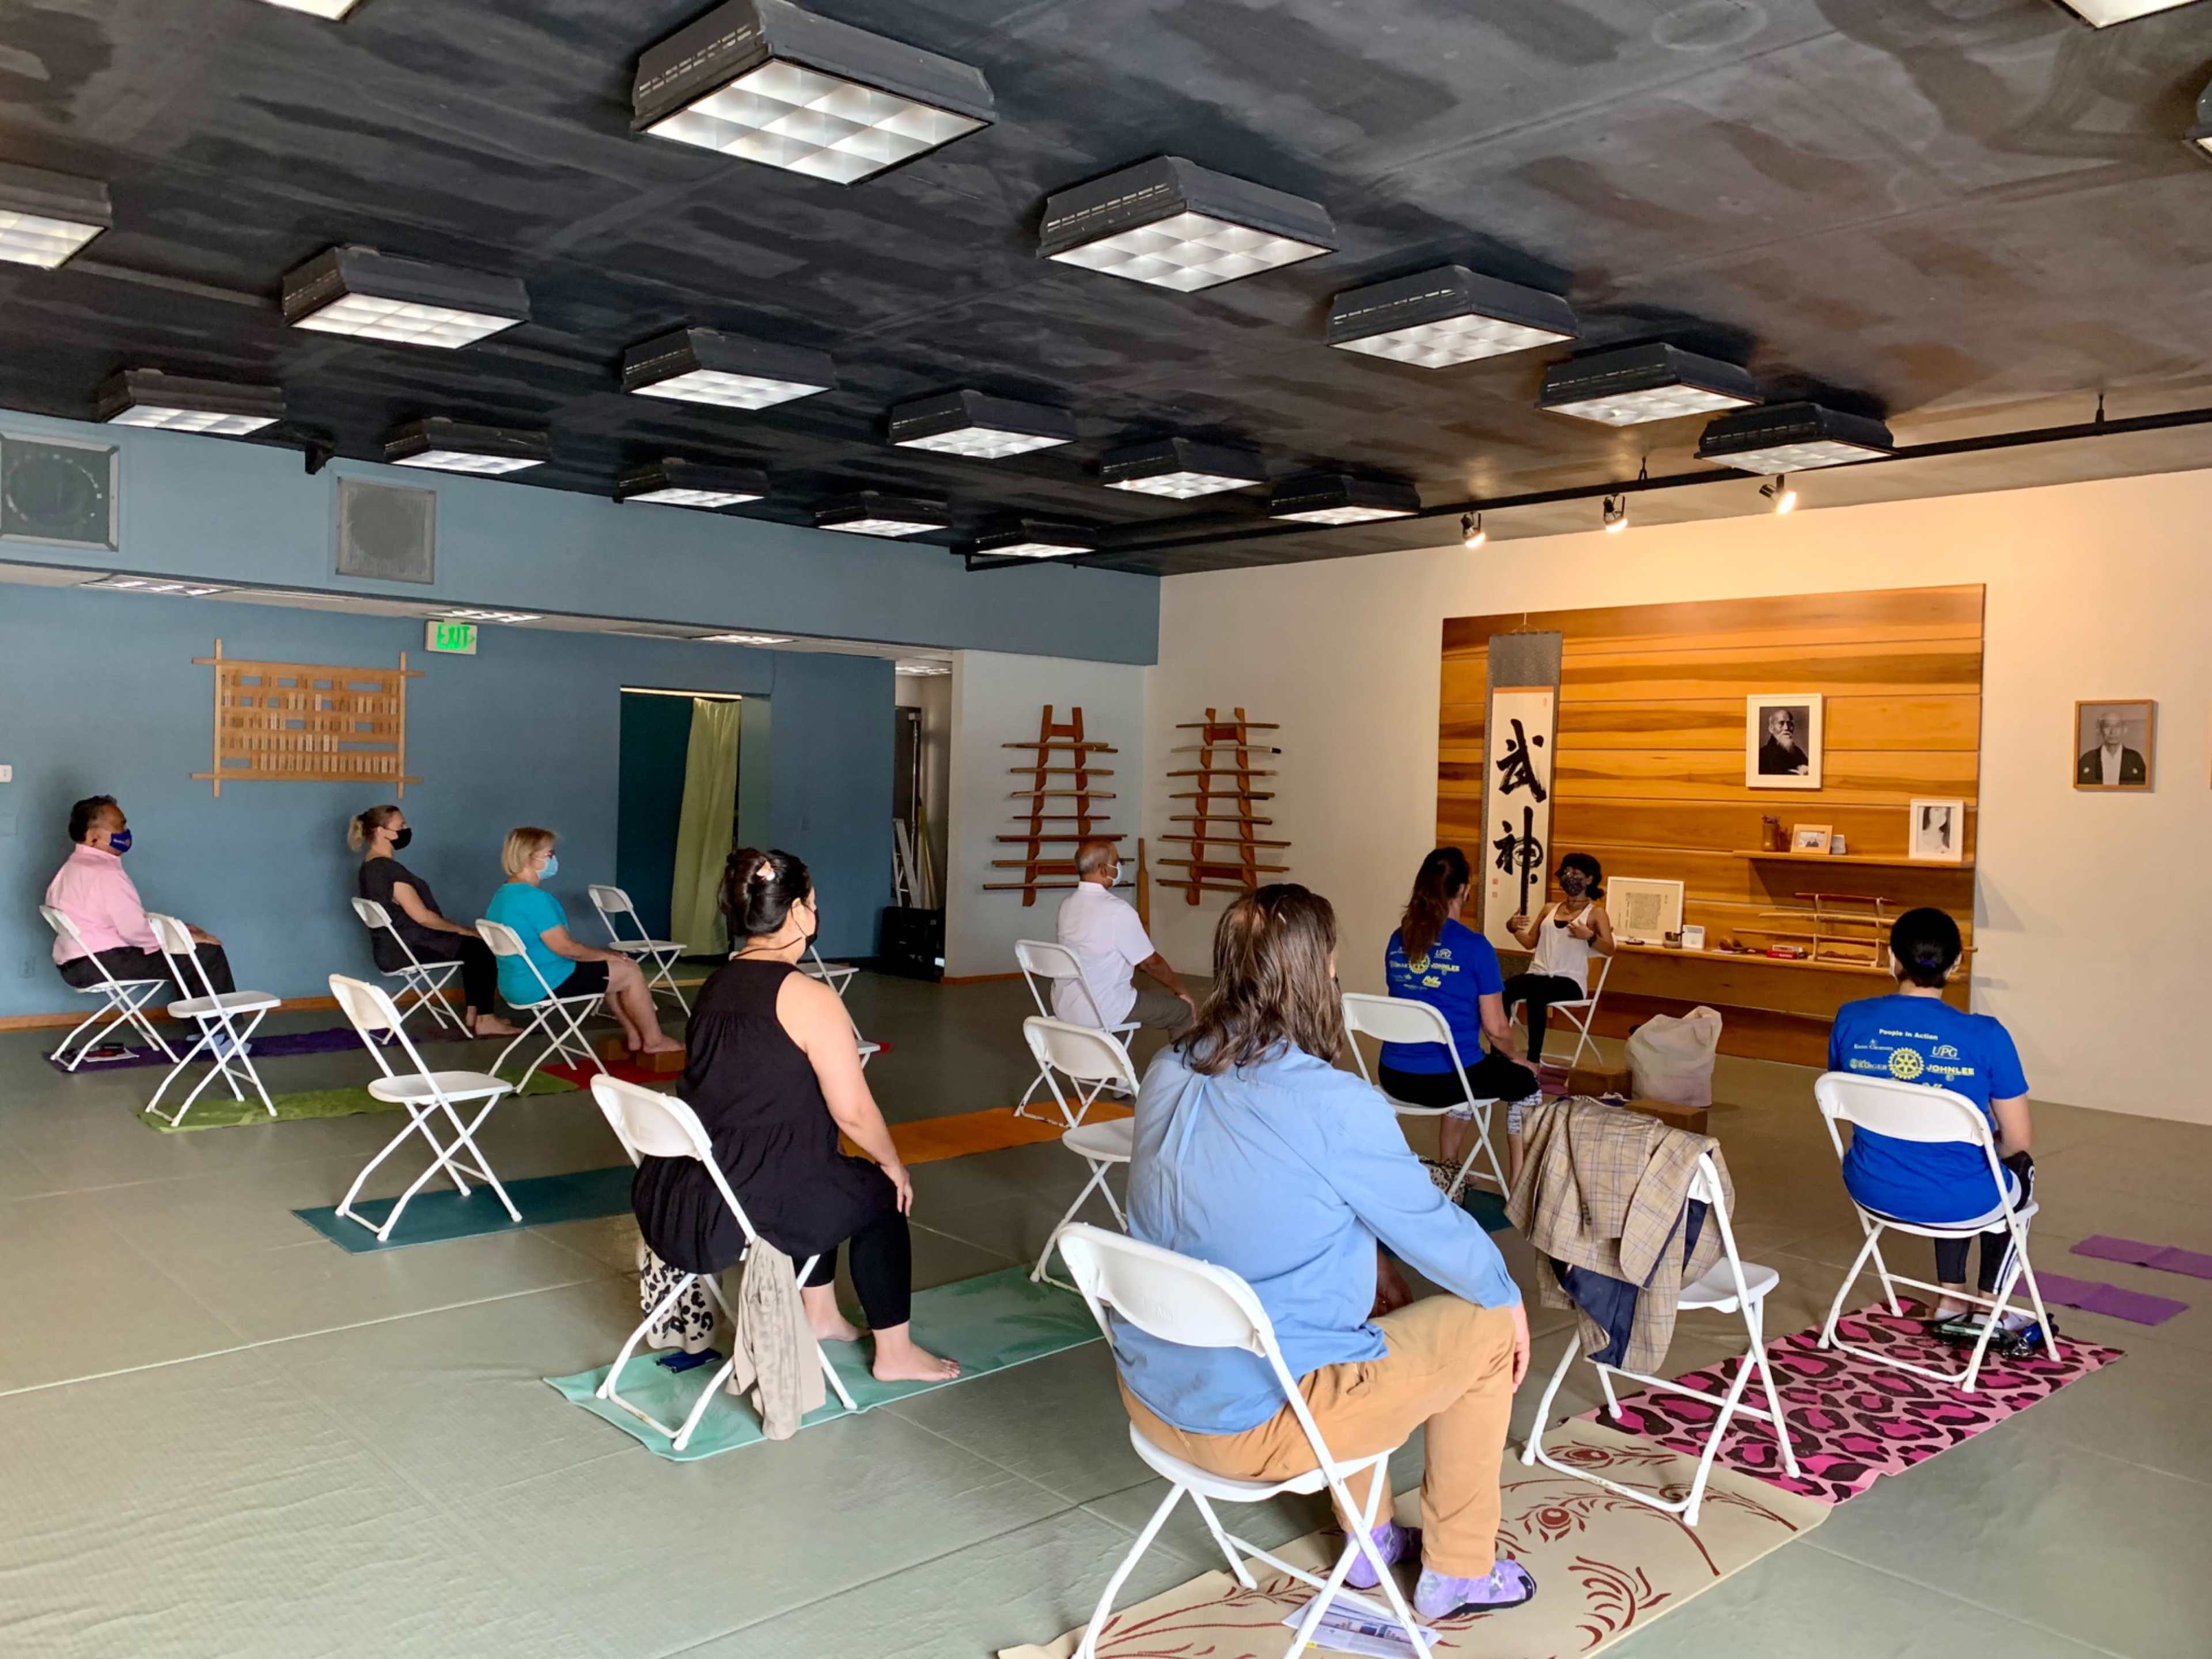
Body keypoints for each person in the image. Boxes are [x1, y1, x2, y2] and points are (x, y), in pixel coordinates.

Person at [1116, 884, 1537, 1620]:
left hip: (1154, 1399)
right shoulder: (1332, 1102)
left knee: (1367, 1300)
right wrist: (1506, 1297)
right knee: (1487, 1328)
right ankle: (1460, 1569)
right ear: (1318, 975)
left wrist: (1371, 1266)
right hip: (1259, 1427)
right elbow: (1435, 1229)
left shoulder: (1168, 1069)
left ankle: (1371, 1541)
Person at [631, 848, 958, 1382]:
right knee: (879, 1193)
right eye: (813, 901)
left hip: (676, 1193)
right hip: (741, 1204)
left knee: (823, 1168)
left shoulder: (715, 983)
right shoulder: (809, 997)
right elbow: (852, 1111)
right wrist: (894, 1164)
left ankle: (822, 1316)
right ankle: (895, 1354)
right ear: (798, 914)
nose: (815, 910)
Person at [1830, 908, 2035, 1330]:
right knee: (2013, 1168)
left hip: (1869, 1187)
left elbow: (1847, 1099)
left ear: (1892, 959)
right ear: (1957, 964)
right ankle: (1989, 1308)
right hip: (1958, 1201)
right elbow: (2018, 1140)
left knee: (1957, 1163)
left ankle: (1949, 1298)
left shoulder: (1850, 1018)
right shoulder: (1987, 1034)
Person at [1379, 847, 1540, 1185]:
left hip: (1393, 1075)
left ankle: (1449, 1166)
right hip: (1447, 1081)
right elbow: (1496, 1028)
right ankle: (1519, 1184)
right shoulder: (1475, 947)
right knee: (1524, 1082)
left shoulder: (1398, 939)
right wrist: (1516, 1058)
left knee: (1473, 1068)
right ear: (1465, 890)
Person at [482, 827, 680, 1056]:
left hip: (516, 983)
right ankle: (654, 1041)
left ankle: (636, 1037)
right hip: (545, 982)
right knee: (630, 971)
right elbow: (565, 948)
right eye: (549, 855)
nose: (554, 859)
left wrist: (606, 958)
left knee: (612, 971)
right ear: (529, 858)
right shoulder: (533, 899)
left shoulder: (503, 894)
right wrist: (609, 954)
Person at [46, 796, 240, 1024]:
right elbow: (136, 933)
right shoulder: (106, 874)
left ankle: (205, 1030)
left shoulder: (69, 869)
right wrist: (185, 939)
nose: (126, 832)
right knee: (205, 953)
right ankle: (221, 1036)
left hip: (75, 965)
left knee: (188, 950)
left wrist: (182, 933)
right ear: (93, 837)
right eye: (119, 826)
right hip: (102, 963)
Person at [350, 805, 517, 1039]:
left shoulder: (369, 867)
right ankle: (485, 1019)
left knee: (473, 946)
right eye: (401, 826)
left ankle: (474, 1015)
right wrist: (463, 930)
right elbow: (423, 917)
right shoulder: (386, 869)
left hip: (391, 947)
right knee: (482, 946)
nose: (407, 829)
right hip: (408, 948)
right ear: (381, 831)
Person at [1053, 836, 1193, 1031]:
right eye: (1116, 863)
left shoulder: (1067, 905)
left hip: (1064, 1007)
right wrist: (1181, 990)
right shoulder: (1118, 911)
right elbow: (1151, 964)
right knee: (1182, 1011)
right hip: (1103, 1009)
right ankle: (1181, 1062)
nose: (1119, 867)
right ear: (1104, 870)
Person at [1502, 853, 1613, 1065]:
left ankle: (1533, 1060)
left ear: (1589, 879)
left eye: (1576, 873)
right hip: (1538, 973)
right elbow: (1529, 942)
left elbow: (1609, 949)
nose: (1569, 876)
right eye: (1566, 872)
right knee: (1504, 989)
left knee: (1537, 996)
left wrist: (1590, 937)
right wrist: (1512, 928)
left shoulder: (1596, 914)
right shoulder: (1549, 909)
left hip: (1569, 980)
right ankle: (1501, 1052)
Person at [2075, 711, 2146, 786]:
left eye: (2117, 726)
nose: (2112, 732)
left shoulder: (2135, 759)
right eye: (2107, 726)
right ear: (2099, 730)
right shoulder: (2088, 759)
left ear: (2124, 730)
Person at [1758, 707, 1810, 777]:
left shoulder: (1798, 752)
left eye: (1790, 724)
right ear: (1771, 729)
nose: (1786, 728)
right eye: (1781, 723)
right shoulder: (1762, 755)